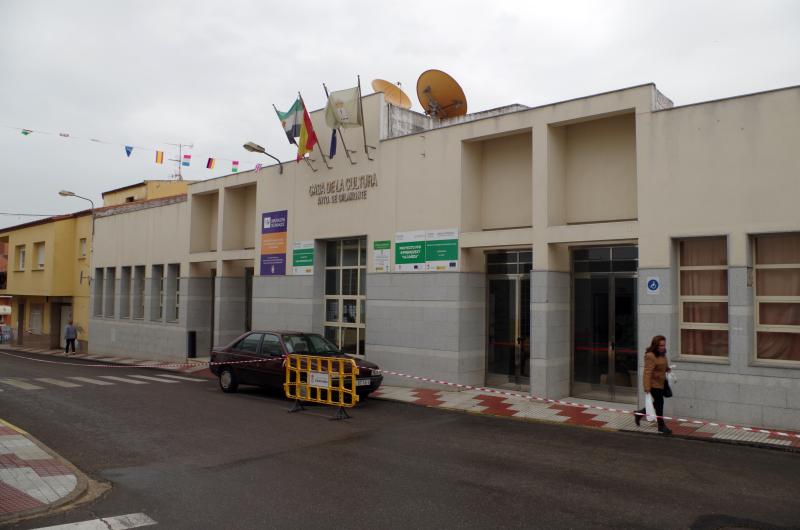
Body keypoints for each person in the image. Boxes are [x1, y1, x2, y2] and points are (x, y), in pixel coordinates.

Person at [635, 335, 672, 435]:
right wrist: (647, 387)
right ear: (655, 345)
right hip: (654, 384)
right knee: (660, 403)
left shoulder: (662, 354)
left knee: (657, 403)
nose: (663, 347)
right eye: (660, 345)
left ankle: (639, 414)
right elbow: (647, 372)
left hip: (661, 382)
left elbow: (662, 365)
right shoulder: (650, 355)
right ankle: (661, 426)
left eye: (664, 345)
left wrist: (667, 369)